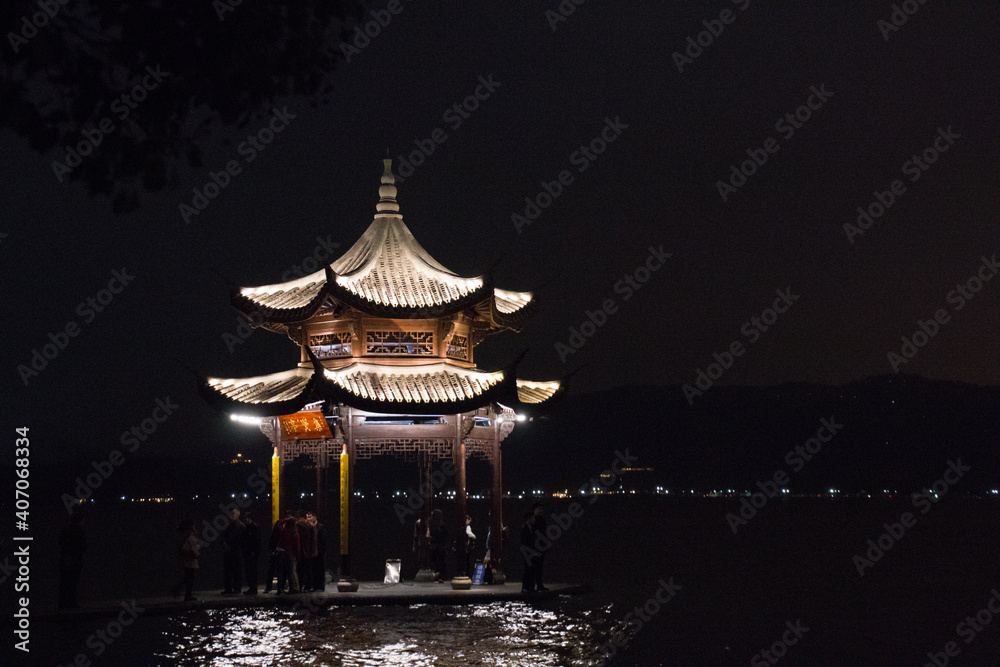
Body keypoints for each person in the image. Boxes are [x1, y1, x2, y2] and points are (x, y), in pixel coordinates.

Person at [58, 510, 86, 609]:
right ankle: (72, 602)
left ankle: (62, 603)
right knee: (73, 582)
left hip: (65, 558)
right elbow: (83, 546)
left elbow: (60, 543)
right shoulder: (79, 531)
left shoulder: (66, 529)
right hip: (75, 558)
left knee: (64, 581)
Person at [171, 519, 200, 602]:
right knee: (189, 578)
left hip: (185, 559)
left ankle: (179, 591)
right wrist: (198, 553)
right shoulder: (191, 536)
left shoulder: (183, 536)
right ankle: (186, 594)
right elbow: (194, 547)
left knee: (187, 577)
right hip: (191, 559)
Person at [221, 508, 245, 595]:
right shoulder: (228, 525)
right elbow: (222, 536)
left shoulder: (240, 526)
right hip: (229, 551)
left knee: (237, 571)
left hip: (236, 550)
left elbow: (242, 538)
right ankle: (228, 588)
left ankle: (237, 588)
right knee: (228, 571)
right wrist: (224, 544)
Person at [275, 516, 300, 594]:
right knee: (290, 572)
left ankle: (279, 589)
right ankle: (292, 588)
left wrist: (284, 519)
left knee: (280, 572)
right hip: (290, 554)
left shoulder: (283, 531)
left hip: (282, 553)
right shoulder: (295, 533)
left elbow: (278, 525)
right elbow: (297, 546)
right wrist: (297, 556)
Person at [296, 511, 317, 592]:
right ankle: (309, 586)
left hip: (301, 550)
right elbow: (314, 540)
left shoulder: (298, 525)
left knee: (300, 570)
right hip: (309, 550)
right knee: (308, 569)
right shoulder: (311, 526)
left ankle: (300, 586)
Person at [241, 511, 261, 595]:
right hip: (248, 552)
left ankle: (253, 588)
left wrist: (254, 551)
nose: (245, 520)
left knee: (251, 571)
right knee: (249, 571)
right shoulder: (248, 528)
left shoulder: (253, 528)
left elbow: (256, 541)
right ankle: (252, 587)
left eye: (246, 518)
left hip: (251, 552)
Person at [531, 503, 549, 592]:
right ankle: (534, 585)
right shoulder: (533, 520)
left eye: (542, 509)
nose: (541, 511)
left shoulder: (541, 520)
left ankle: (539, 584)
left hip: (541, 546)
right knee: (534, 567)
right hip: (535, 546)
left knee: (539, 567)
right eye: (539, 509)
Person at [262, 516, 282, 593]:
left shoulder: (275, 532)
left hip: (274, 552)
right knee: (279, 571)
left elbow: (271, 543)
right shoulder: (282, 532)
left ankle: (269, 587)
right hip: (279, 553)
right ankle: (279, 588)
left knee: (271, 571)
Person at [429, 508, 449, 583]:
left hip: (435, 546)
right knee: (441, 562)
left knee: (435, 562)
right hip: (440, 546)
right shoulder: (442, 525)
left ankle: (436, 576)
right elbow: (446, 535)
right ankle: (441, 576)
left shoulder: (431, 524)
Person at [308, 512, 327, 591]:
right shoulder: (308, 527)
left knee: (320, 569)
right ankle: (314, 585)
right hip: (312, 551)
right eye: (307, 517)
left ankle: (321, 586)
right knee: (313, 569)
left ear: (315, 517)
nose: (308, 519)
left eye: (310, 517)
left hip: (319, 551)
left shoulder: (320, 527)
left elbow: (323, 540)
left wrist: (321, 550)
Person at [520, 511, 537, 593]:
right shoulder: (524, 528)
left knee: (532, 569)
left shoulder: (532, 529)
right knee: (528, 570)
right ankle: (526, 587)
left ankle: (531, 586)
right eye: (533, 518)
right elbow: (523, 541)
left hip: (532, 552)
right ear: (529, 519)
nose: (534, 520)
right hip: (527, 552)